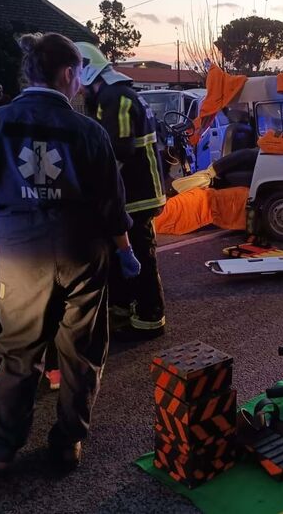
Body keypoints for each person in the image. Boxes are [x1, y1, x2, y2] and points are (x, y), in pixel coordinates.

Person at [0, 32, 140, 480]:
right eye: (79, 71)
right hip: (82, 252)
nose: (80, 81)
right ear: (67, 73)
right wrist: (127, 253)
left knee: (19, 352)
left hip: (21, 254)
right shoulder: (88, 130)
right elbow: (111, 208)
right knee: (80, 353)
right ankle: (67, 442)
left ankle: (1, 452)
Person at [77, 42, 167, 341]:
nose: (79, 90)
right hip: (136, 191)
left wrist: (93, 184)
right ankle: (124, 307)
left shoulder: (114, 97)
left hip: (137, 194)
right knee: (123, 253)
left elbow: (119, 149)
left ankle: (149, 317)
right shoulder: (119, 94)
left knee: (139, 253)